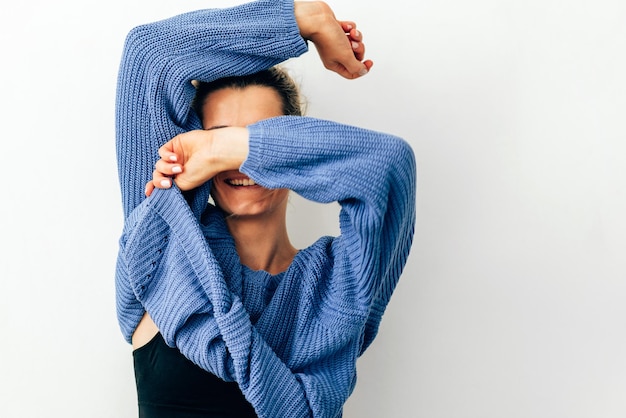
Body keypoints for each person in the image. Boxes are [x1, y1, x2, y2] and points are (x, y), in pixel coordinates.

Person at [114, 0, 416, 417]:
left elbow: (389, 168)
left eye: (259, 141)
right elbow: (150, 55)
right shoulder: (165, 246)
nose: (237, 164)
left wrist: (227, 146)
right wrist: (304, 19)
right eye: (216, 140)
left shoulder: (335, 282)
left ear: (291, 152)